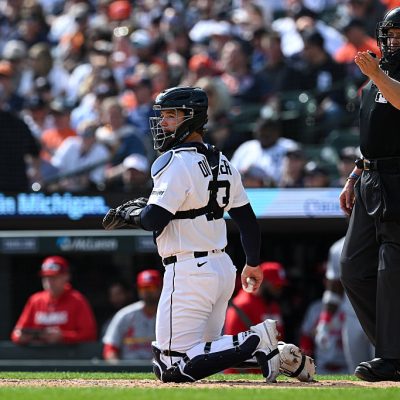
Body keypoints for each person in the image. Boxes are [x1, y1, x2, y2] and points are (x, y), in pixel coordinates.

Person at [103, 86, 315, 383]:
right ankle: (276, 355)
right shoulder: (224, 161)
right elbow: (248, 221)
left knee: (171, 368)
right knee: (203, 355)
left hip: (189, 271)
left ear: (191, 118)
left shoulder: (176, 162)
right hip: (221, 269)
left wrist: (130, 213)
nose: (164, 123)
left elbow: (153, 219)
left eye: (171, 116)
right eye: (163, 116)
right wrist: (252, 262)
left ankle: (258, 338)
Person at [339, 7, 400, 382]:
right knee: (353, 268)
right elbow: (372, 136)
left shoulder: (379, 75)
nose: (394, 41)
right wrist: (354, 175)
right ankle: (394, 349)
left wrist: (376, 74)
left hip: (399, 177)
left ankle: (390, 357)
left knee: (392, 269)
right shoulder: (376, 76)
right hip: (370, 179)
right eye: (390, 35)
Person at [315, 237, 374, 374]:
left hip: (381, 316)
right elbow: (334, 291)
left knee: (385, 371)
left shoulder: (386, 240)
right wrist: (324, 323)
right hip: (352, 316)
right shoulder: (338, 248)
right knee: (358, 371)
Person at [11, 256, 97, 345]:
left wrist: (63, 336)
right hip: (39, 355)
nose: (49, 282)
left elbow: (90, 335)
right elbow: (16, 333)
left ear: (66, 276)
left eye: (54, 277)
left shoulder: (77, 300)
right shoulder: (35, 300)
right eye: (46, 277)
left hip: (68, 356)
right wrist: (22, 337)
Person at [102, 269, 162, 361]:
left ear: (160, 288)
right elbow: (110, 348)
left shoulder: (169, 316)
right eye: (143, 288)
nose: (147, 292)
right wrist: (117, 369)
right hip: (129, 368)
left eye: (151, 287)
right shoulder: (125, 315)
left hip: (158, 369)